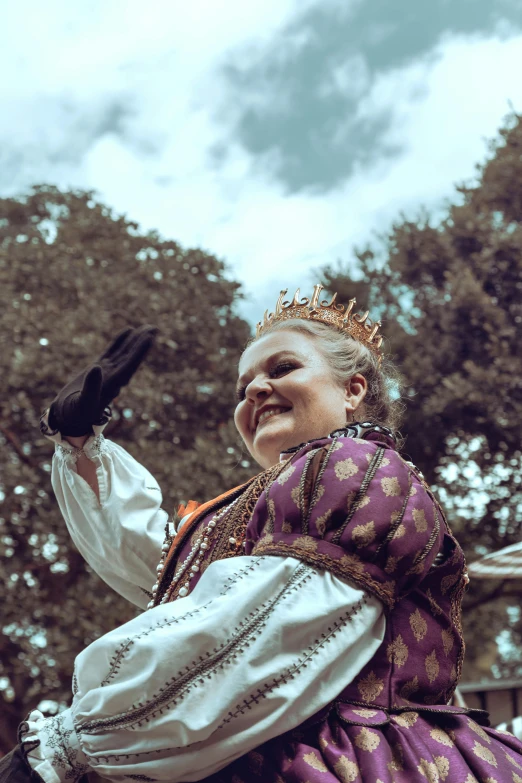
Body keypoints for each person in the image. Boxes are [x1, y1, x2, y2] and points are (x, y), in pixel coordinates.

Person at [3, 284, 522, 783]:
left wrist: (66, 749)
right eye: (243, 386)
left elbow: (260, 631)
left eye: (283, 368)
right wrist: (79, 444)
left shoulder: (358, 467)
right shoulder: (240, 510)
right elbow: (164, 571)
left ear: (352, 389)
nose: (254, 388)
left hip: (342, 759)